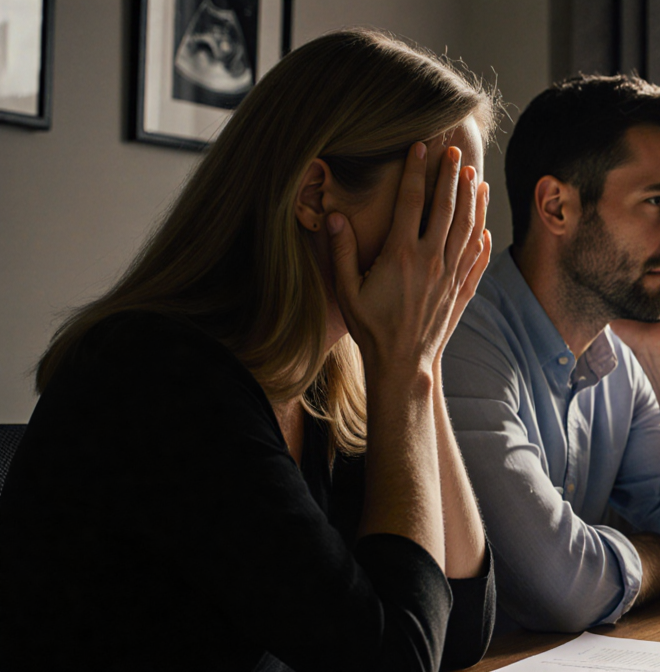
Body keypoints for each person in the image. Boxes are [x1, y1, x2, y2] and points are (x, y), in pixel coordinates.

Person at [0, 29, 499, 670]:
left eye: (468, 214)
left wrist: (421, 365)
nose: (452, 248)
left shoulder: (325, 382)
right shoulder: (156, 376)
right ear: (317, 194)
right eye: (437, 206)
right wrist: (406, 369)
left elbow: (458, 630)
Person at [441, 74, 660, 632]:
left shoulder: (619, 356)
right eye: (658, 202)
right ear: (557, 207)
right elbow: (563, 590)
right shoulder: (461, 340)